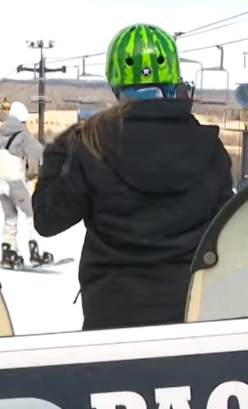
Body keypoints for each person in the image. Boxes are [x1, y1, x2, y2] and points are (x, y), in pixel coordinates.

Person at [31, 23, 234, 331]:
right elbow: (230, 229)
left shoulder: (91, 142)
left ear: (115, 83)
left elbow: (47, 219)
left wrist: (58, 153)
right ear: (173, 81)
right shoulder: (209, 146)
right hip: (190, 314)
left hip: (111, 319)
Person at [0, 101, 50, 268]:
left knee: (10, 217)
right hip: (15, 181)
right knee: (32, 213)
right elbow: (38, 152)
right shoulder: (22, 136)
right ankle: (37, 252)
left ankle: (9, 253)